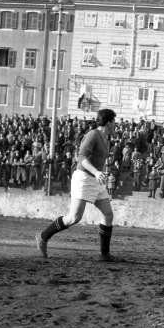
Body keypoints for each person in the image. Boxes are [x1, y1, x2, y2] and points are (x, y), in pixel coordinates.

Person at [36, 108, 117, 261]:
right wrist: (97, 172)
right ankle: (43, 236)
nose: (115, 125)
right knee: (74, 218)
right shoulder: (93, 135)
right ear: (108, 122)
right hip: (84, 178)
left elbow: (98, 159)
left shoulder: (106, 138)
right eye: (114, 122)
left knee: (108, 214)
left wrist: (103, 172)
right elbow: (81, 159)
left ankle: (104, 254)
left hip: (96, 180)